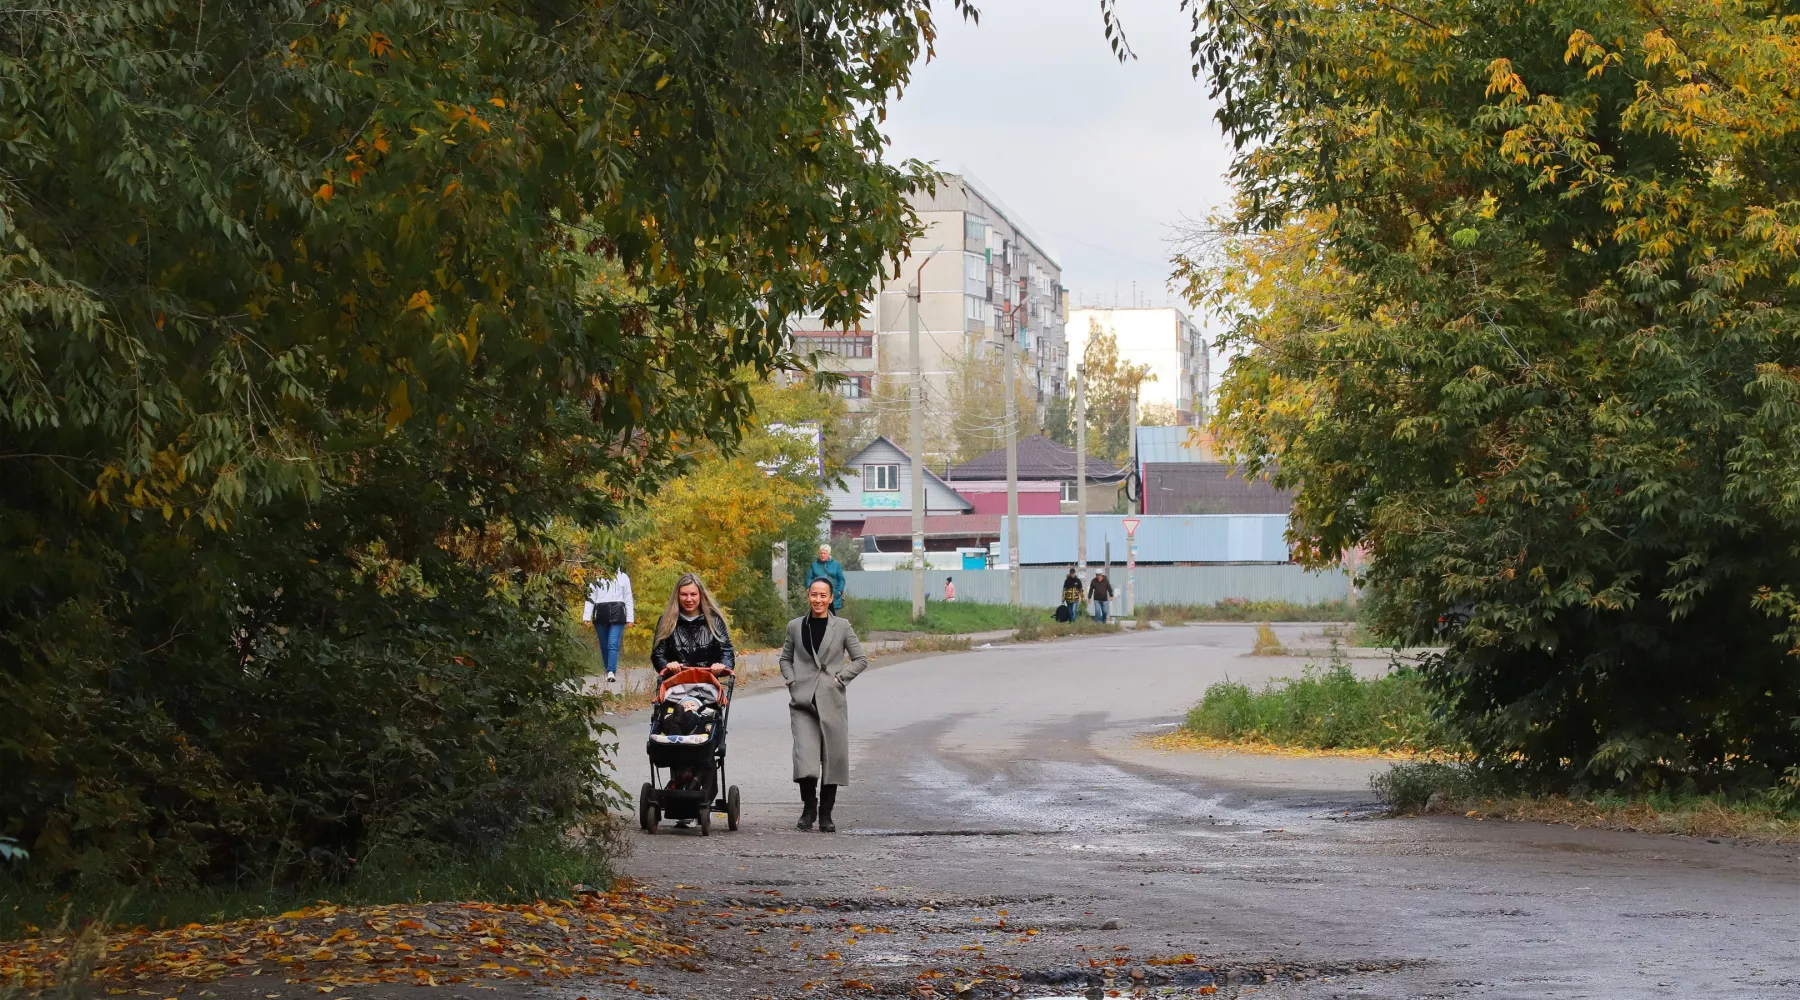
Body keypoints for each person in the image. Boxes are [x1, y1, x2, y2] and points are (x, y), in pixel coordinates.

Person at [779, 578, 868, 833]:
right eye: (814, 595)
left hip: (832, 701)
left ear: (831, 599)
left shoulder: (842, 626)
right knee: (806, 759)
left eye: (823, 596)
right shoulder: (795, 626)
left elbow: (860, 659)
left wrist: (841, 678)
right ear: (808, 595)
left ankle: (826, 814)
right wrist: (792, 679)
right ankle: (808, 809)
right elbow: (785, 658)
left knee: (833, 759)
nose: (818, 600)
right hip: (803, 701)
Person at [651, 573, 736, 679]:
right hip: (675, 684)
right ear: (677, 596)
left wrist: (722, 665)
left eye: (693, 594)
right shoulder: (666, 620)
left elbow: (727, 650)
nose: (689, 599)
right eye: (684, 594)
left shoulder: (714, 620)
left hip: (707, 683)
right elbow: (657, 654)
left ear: (700, 595)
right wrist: (667, 665)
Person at [581, 567, 635, 686]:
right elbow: (590, 597)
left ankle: (611, 671)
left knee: (613, 643)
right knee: (604, 644)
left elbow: (628, 598)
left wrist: (630, 618)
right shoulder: (596, 577)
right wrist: (586, 616)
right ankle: (608, 669)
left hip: (618, 612)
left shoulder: (623, 577)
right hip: (600, 612)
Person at [806, 543, 848, 613]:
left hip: (834, 595)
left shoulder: (836, 564)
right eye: (821, 553)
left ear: (829, 554)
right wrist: (808, 588)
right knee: (818, 617)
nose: (822, 555)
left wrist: (839, 591)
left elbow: (841, 579)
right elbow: (809, 578)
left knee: (833, 619)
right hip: (818, 595)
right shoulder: (814, 565)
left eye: (824, 553)